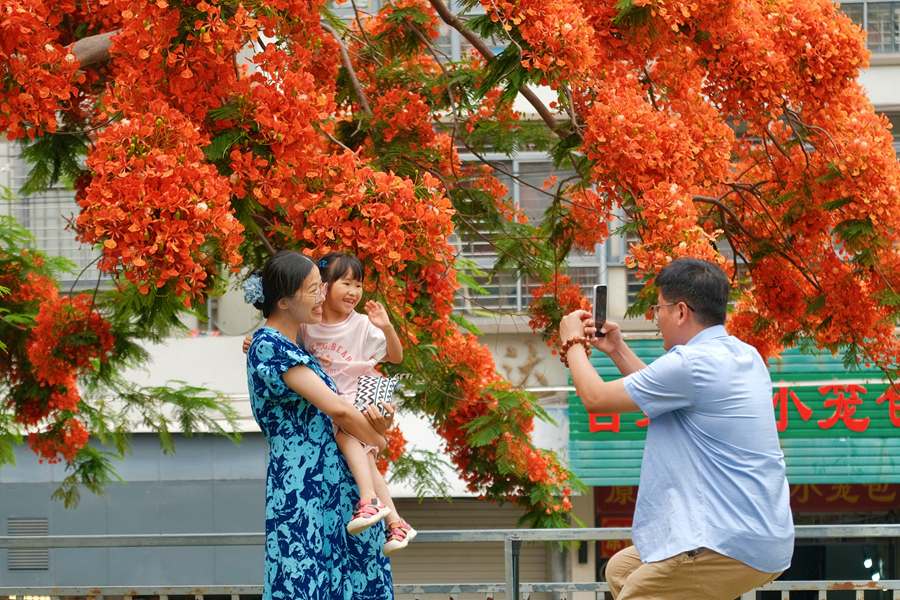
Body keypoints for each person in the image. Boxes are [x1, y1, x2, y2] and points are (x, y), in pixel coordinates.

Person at [558, 258, 794, 600]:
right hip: (764, 533)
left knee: (637, 593)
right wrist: (617, 349)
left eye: (658, 307)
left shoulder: (690, 364)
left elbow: (595, 398)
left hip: (725, 539)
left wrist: (572, 343)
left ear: (681, 311)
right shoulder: (745, 355)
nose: (656, 317)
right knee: (621, 570)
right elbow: (665, 393)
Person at [243, 250, 395, 600]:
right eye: (313, 289)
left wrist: (377, 428)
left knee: (352, 578)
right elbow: (339, 411)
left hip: (333, 482)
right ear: (283, 300)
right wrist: (378, 440)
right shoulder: (269, 345)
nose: (322, 296)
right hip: (303, 484)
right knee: (304, 579)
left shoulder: (296, 347)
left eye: (321, 286)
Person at [301, 252, 415, 556]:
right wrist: (252, 340)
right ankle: (396, 522)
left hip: (364, 395)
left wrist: (387, 327)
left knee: (345, 436)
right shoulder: (307, 325)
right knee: (365, 457)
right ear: (323, 287)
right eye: (346, 283)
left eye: (359, 284)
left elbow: (395, 357)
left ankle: (368, 501)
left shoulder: (362, 325)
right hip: (337, 400)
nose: (354, 291)